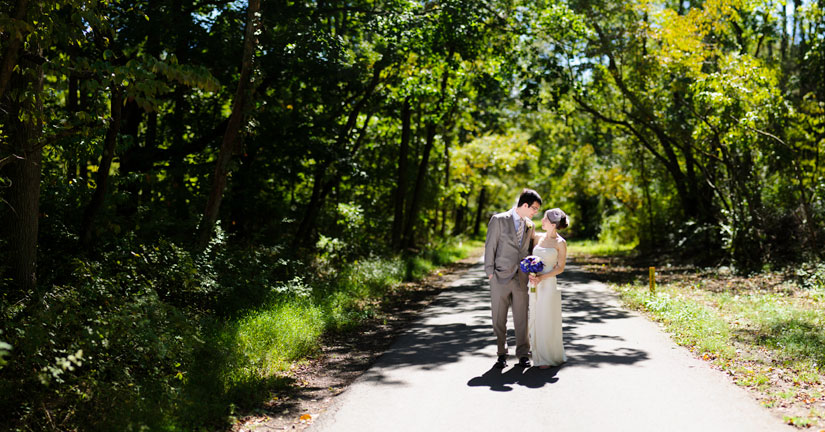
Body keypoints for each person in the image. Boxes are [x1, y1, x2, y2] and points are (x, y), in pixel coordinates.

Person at [484, 189, 542, 368]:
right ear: (525, 205)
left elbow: (530, 250)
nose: (535, 212)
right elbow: (490, 246)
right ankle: (502, 353)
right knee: (498, 318)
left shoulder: (530, 225)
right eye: (534, 208)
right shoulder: (499, 220)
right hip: (499, 276)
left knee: (522, 317)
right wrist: (490, 272)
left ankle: (523, 354)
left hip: (521, 278)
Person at [527, 208, 569, 368]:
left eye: (544, 219)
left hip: (548, 284)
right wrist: (531, 273)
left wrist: (542, 278)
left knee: (546, 318)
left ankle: (547, 356)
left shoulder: (560, 243)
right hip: (533, 283)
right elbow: (530, 258)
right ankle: (536, 352)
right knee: (534, 317)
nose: (542, 221)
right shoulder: (538, 237)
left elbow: (560, 268)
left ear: (552, 224)